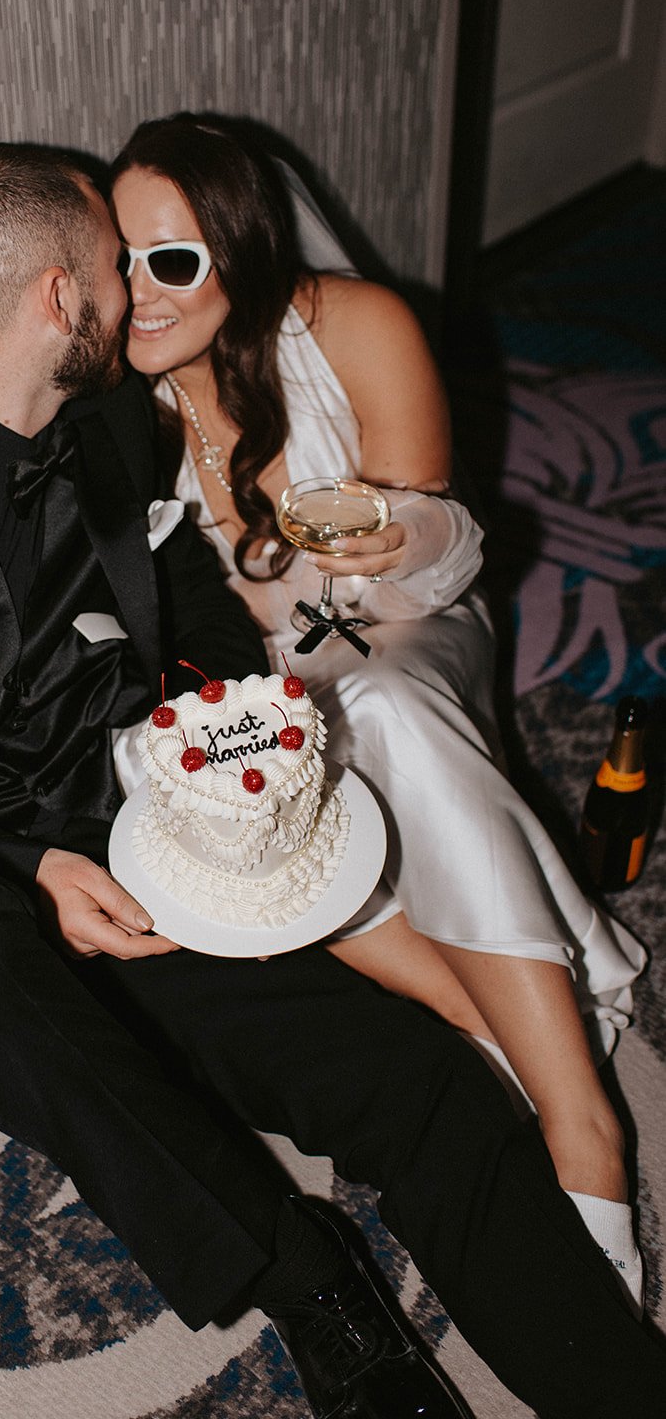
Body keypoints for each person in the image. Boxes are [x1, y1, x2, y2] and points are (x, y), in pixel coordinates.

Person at [0, 141, 665, 1418]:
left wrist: (230, 729)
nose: (138, 298)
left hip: (116, 824)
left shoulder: (109, 415)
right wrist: (20, 864)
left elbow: (193, 609)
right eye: (119, 267)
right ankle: (303, 1275)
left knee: (399, 1067)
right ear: (64, 297)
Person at [110, 110, 649, 1312]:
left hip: (400, 617)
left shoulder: (357, 324)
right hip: (240, 673)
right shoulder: (118, 390)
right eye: (125, 261)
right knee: (223, 793)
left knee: (390, 708)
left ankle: (582, 1129)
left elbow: (444, 547)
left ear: (242, 252)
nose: (142, 294)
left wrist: (377, 529)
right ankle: (505, 1034)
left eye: (177, 261)